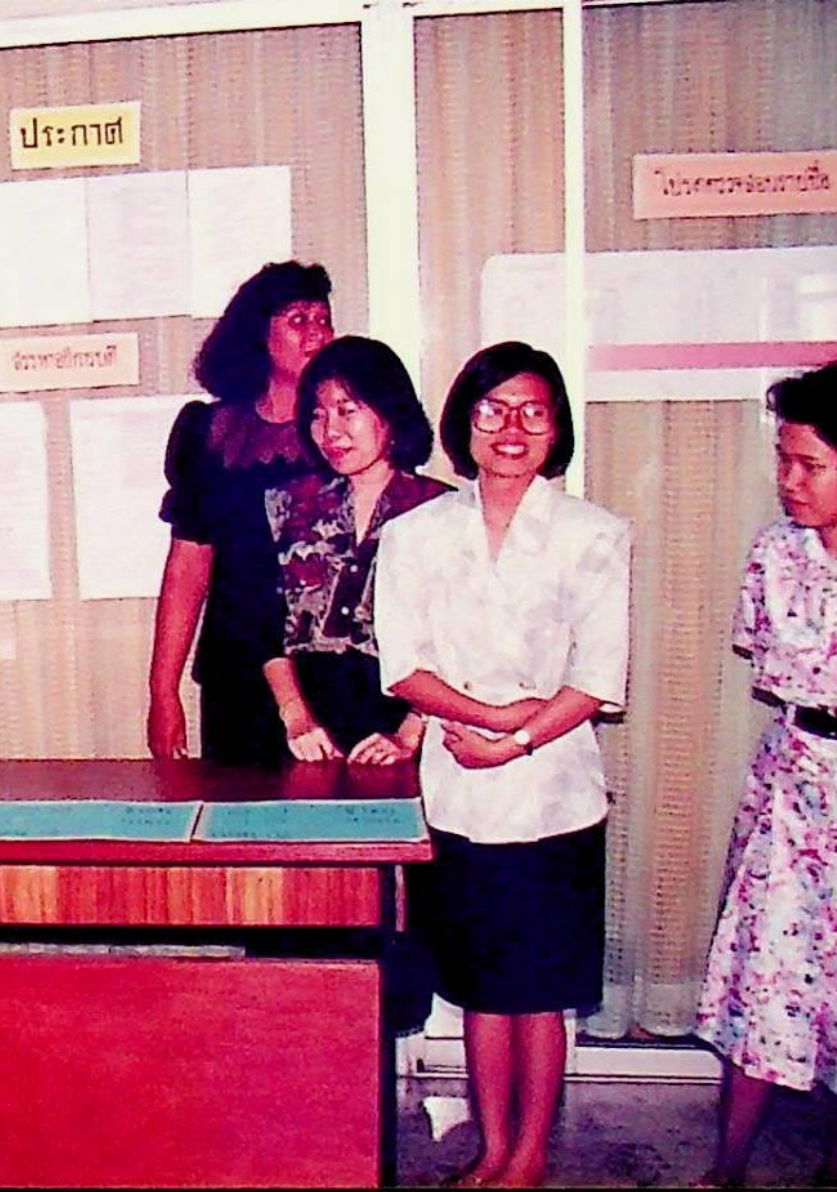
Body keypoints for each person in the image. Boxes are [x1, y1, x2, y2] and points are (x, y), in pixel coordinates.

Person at [374, 342, 632, 1188]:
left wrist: (516, 741)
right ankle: (490, 1150)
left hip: (555, 794)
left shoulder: (594, 534)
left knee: (539, 991)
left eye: (531, 411)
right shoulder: (414, 534)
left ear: (556, 427)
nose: (510, 428)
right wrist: (488, 720)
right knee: (482, 987)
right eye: (491, 410)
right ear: (464, 423)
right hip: (458, 792)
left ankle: (528, 1158)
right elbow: (402, 668)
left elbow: (598, 677)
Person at [693, 359, 837, 1188]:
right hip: (792, 783)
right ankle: (725, 1168)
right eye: (782, 460)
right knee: (762, 976)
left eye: (811, 465)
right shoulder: (774, 553)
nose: (789, 482)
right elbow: (765, 662)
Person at [148, 260, 334, 765]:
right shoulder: (209, 433)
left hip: (333, 673)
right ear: (258, 334)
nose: (316, 332)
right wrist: (163, 693)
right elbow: (188, 570)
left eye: (323, 319)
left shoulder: (350, 430)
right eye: (298, 320)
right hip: (237, 671)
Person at [260, 335, 449, 765]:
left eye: (347, 411)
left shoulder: (441, 511)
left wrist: (409, 735)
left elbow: (461, 639)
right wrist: (296, 717)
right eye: (318, 414)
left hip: (408, 728)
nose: (331, 431)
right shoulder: (284, 505)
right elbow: (261, 624)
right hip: (298, 729)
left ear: (391, 412)